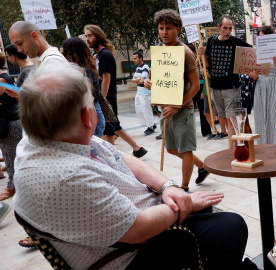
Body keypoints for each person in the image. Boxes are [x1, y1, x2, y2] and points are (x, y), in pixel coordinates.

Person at [13, 62, 253, 270]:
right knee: (232, 226)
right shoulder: (68, 179)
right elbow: (138, 229)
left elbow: (120, 157)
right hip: (134, 254)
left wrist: (167, 186)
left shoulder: (45, 138)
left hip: (138, 220)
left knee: (204, 208)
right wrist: (184, 204)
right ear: (87, 117)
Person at [144, 9, 209, 190]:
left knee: (185, 149)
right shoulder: (159, 50)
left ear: (177, 30)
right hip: (166, 109)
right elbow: (154, 78)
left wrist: (177, 106)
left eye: (168, 28)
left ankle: (185, 186)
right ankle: (202, 167)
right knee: (172, 149)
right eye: (161, 28)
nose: (164, 32)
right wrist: (149, 83)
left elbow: (195, 86)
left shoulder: (185, 52)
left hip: (183, 109)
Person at [84, 25, 147, 158]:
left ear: (98, 36)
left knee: (109, 127)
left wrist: (102, 100)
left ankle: (111, 158)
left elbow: (106, 80)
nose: (87, 39)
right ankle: (137, 148)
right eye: (86, 36)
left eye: (90, 35)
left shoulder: (105, 54)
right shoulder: (101, 55)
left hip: (107, 96)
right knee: (115, 125)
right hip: (107, 96)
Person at [197, 15, 252, 148]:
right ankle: (236, 146)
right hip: (215, 87)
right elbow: (208, 64)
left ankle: (232, 149)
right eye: (225, 28)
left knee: (231, 118)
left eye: (230, 28)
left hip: (232, 87)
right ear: (219, 27)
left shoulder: (235, 41)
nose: (228, 31)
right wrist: (201, 55)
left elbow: (252, 50)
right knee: (223, 118)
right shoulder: (211, 40)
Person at [249, 26, 276, 145]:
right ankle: (263, 147)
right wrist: (254, 76)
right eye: (259, 38)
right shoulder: (255, 52)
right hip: (261, 86)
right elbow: (256, 74)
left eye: (263, 37)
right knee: (261, 118)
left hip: (275, 84)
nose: (261, 40)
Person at [62, 37, 108, 138]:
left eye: (64, 52)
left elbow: (87, 96)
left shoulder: (81, 71)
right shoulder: (87, 68)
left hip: (89, 112)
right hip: (93, 111)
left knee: (92, 145)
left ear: (71, 53)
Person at [0, 53, 23, 201]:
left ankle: (12, 187)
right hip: (11, 122)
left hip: (10, 124)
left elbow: (18, 93)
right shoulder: (5, 77)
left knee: (11, 156)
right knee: (11, 155)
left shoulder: (2, 79)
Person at [132, 51, 156, 136]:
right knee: (139, 109)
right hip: (139, 92)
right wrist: (138, 80)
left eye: (135, 58)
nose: (133, 60)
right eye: (133, 58)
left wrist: (137, 80)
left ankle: (151, 127)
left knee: (146, 110)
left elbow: (142, 81)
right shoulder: (138, 68)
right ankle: (151, 124)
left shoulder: (145, 67)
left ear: (140, 58)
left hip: (145, 93)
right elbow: (133, 80)